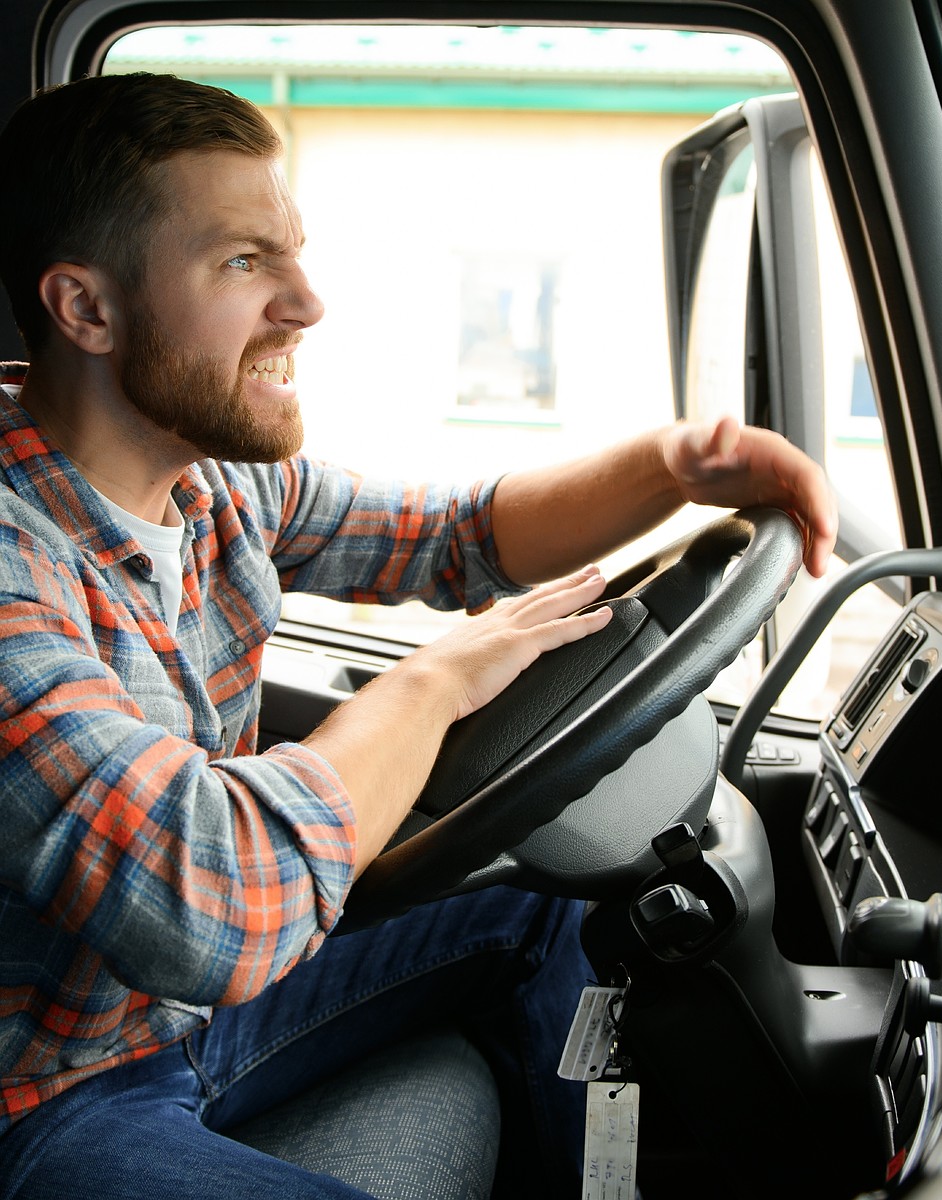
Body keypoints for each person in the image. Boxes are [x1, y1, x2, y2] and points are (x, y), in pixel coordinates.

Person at [0, 73, 836, 1198]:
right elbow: (214, 901)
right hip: (44, 1090)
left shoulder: (211, 490)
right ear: (86, 310)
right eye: (244, 263)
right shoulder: (14, 569)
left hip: (191, 1016)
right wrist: (430, 687)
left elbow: (459, 534)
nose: (306, 302)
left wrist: (677, 464)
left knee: (549, 897)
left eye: (292, 254)